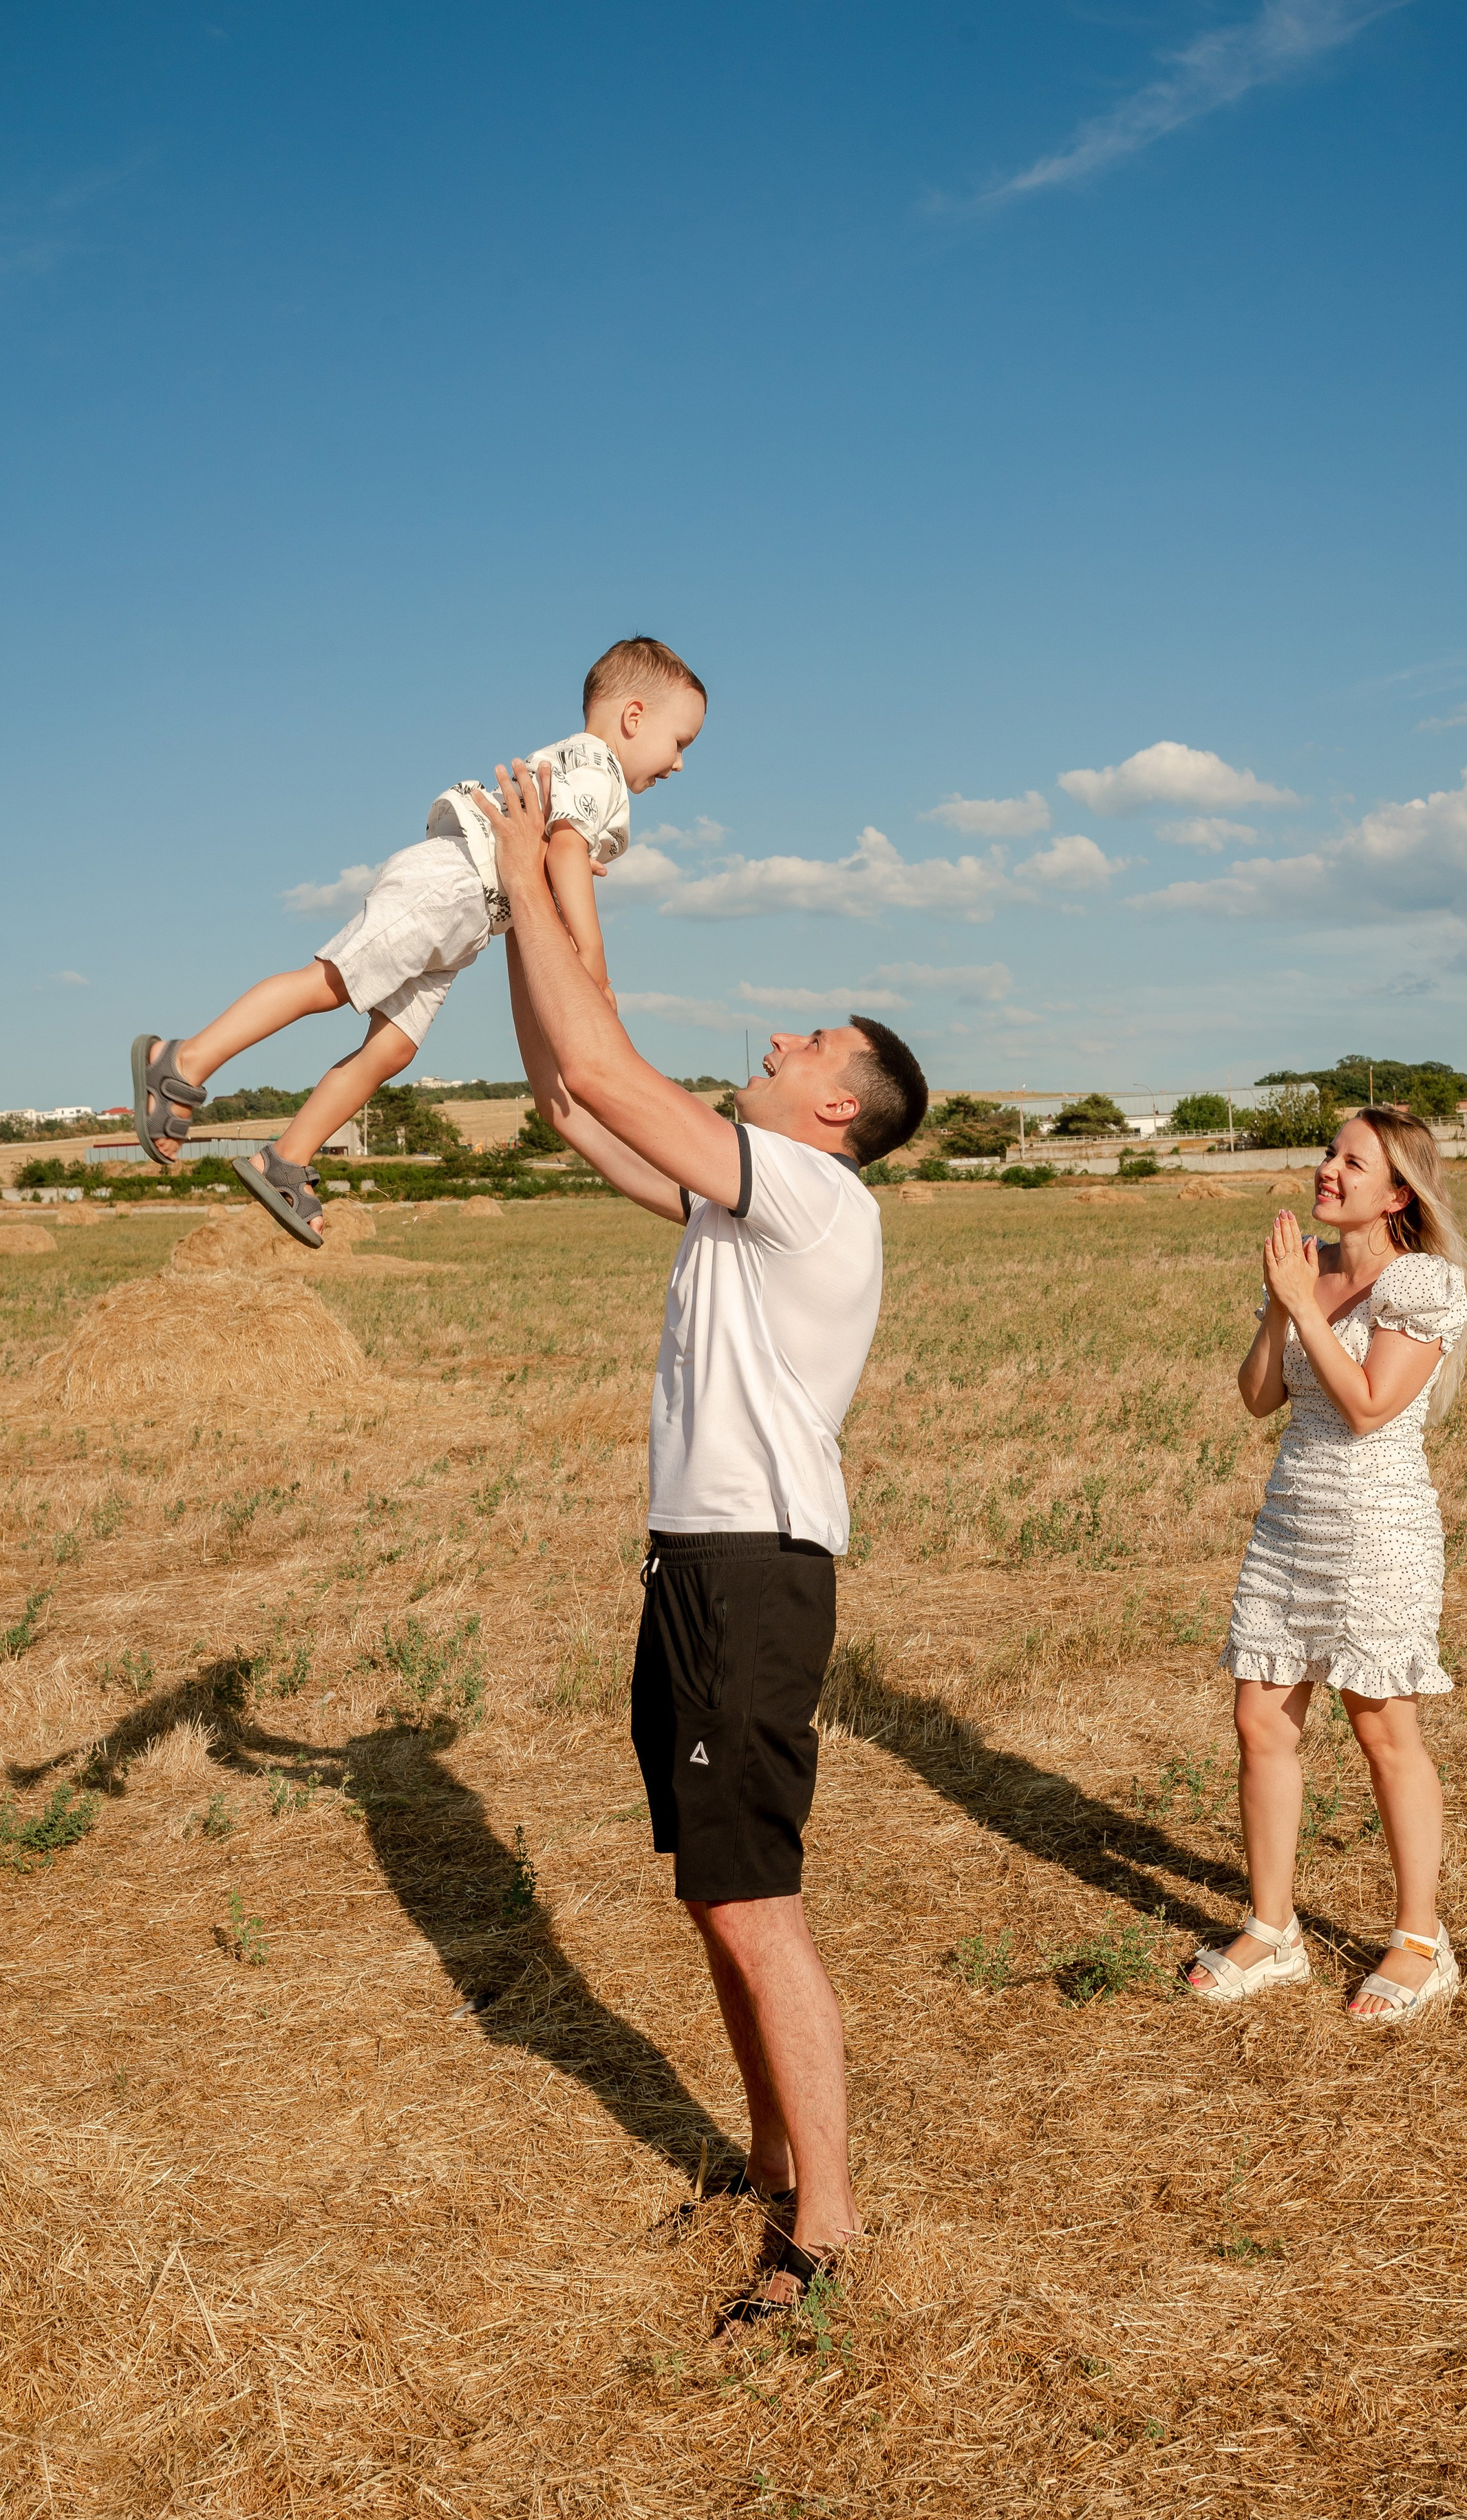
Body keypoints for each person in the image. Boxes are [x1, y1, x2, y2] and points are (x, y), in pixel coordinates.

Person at [470, 755, 928, 2316]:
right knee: (712, 1893)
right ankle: (773, 2162)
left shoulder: (814, 1199)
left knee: (753, 1897)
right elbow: (570, 1087)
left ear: (834, 1104)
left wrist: (531, 870)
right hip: (695, 1564)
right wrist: (558, 878)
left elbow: (609, 1072)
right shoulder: (743, 1201)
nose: (782, 1035)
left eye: (809, 1038)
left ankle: (825, 2229)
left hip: (753, 1572)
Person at [127, 637, 706, 1242]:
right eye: (681, 742)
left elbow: (555, 860)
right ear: (634, 717)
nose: (680, 763)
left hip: (469, 918)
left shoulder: (581, 768)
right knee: (327, 983)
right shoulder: (599, 765)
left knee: (394, 1050)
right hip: (450, 890)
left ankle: (285, 1159)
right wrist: (594, 961)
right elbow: (564, 849)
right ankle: (182, 1059)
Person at [1188, 1107, 1467, 2024]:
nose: (1327, 1170)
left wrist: (1304, 1303)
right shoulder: (1309, 1268)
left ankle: (1420, 1945)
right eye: (1326, 1154)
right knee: (1259, 1723)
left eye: (1352, 1163)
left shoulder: (1423, 1284)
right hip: (1291, 1525)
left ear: (1398, 1193)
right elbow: (1258, 1395)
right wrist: (1283, 1301)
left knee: (1384, 1734)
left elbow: (1366, 1407)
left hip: (1378, 1531)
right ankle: (1273, 1934)